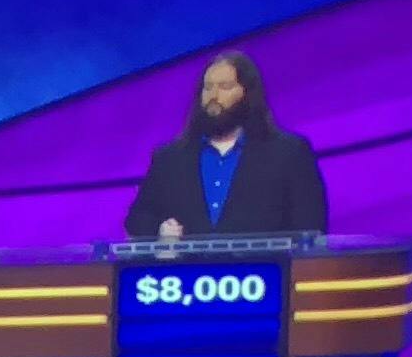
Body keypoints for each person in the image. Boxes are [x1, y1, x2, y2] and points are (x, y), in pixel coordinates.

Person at [124, 49, 330, 241]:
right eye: (208, 88)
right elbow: (138, 219)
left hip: (263, 274)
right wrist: (160, 231)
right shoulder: (169, 159)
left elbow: (310, 227)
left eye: (225, 87)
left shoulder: (289, 153)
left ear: (247, 94)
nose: (214, 96)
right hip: (185, 274)